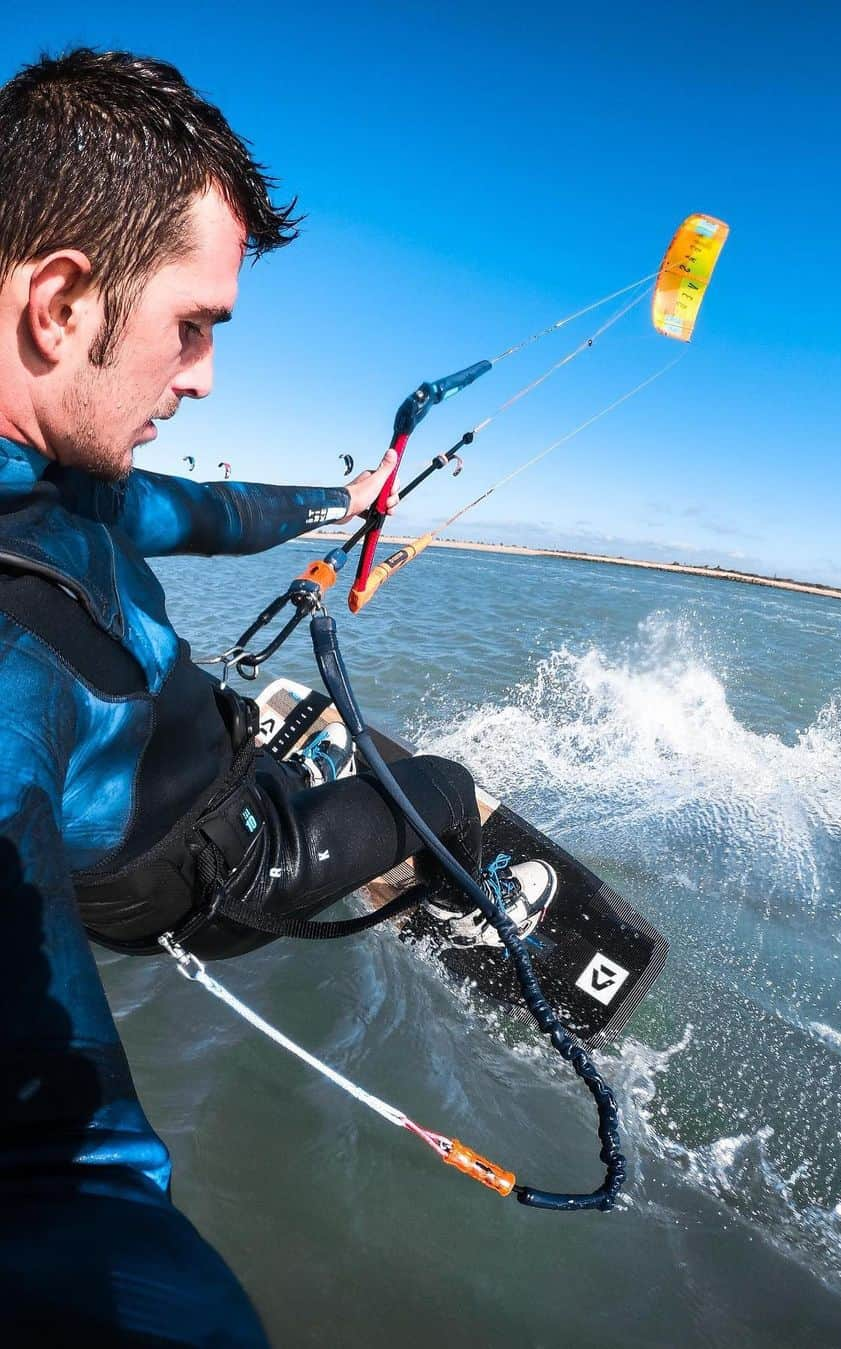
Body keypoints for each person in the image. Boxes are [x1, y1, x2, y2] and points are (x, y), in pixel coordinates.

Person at [0, 48, 553, 1342]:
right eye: (194, 327)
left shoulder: (54, 479)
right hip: (228, 860)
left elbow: (208, 509)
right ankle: (463, 888)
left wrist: (342, 504)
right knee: (447, 789)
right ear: (61, 304)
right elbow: (62, 1172)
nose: (202, 378)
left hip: (202, 761)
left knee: (303, 728)